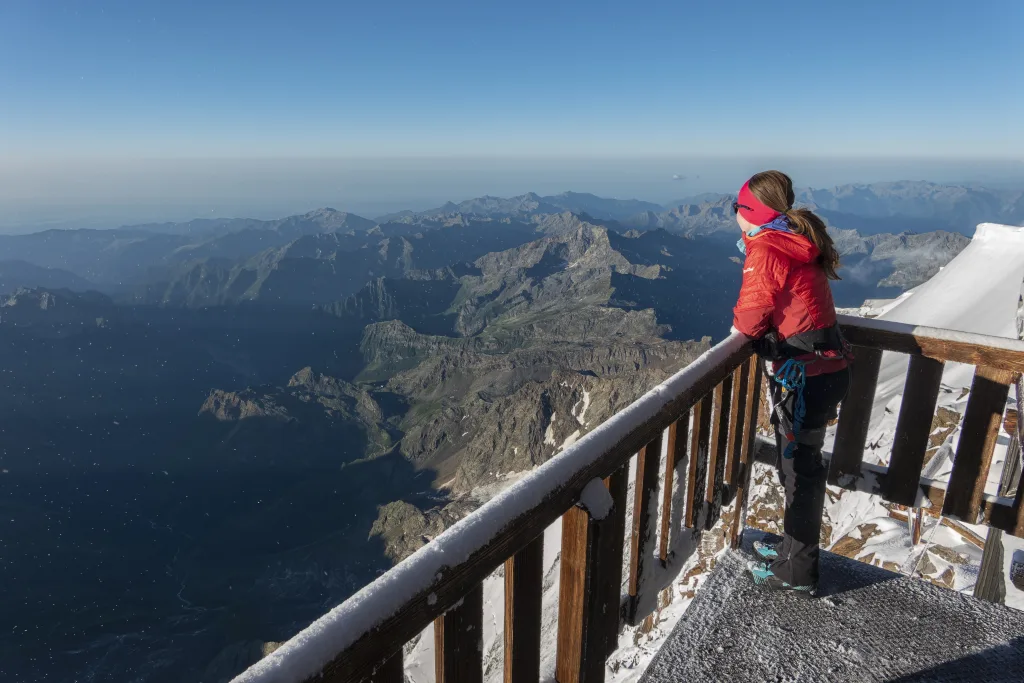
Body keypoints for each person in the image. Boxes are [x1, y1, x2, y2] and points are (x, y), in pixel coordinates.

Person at [731, 170, 852, 595]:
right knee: (797, 466)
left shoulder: (768, 247)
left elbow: (749, 316)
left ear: (750, 214)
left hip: (804, 376)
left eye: (737, 208)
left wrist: (752, 329)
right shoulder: (793, 240)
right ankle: (791, 552)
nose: (735, 217)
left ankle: (798, 572)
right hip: (823, 371)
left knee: (799, 472)